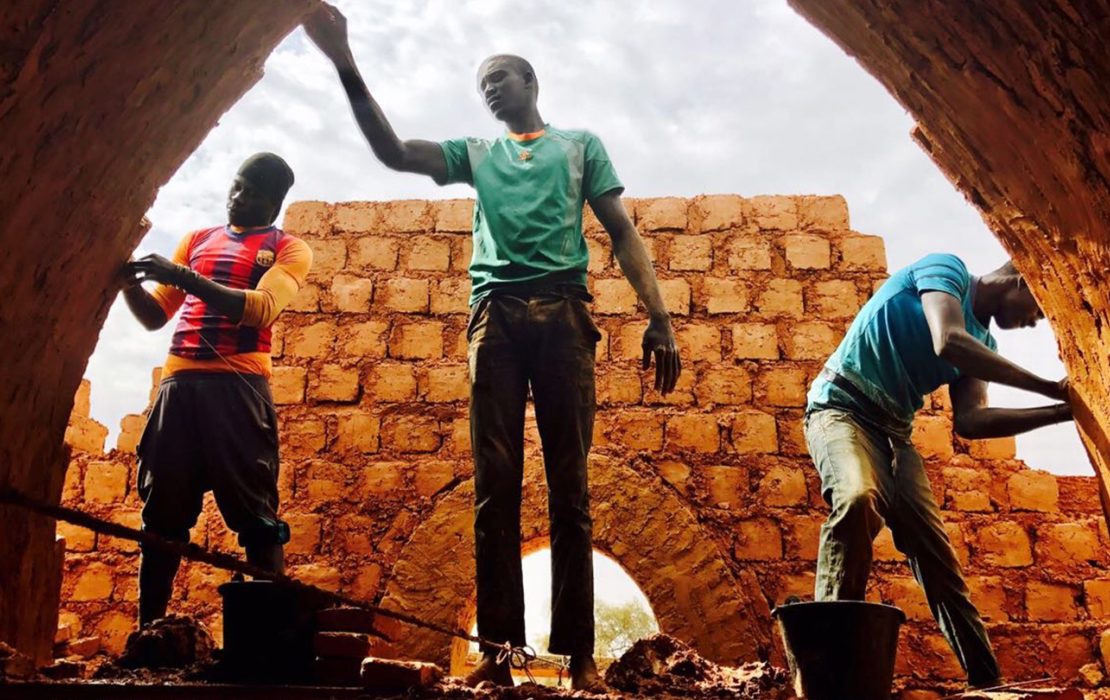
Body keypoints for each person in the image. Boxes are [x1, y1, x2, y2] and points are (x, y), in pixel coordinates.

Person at [304, 5, 681, 689]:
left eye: (500, 77)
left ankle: (578, 659)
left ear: (531, 81)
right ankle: (499, 656)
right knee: (494, 491)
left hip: (565, 317)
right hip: (495, 321)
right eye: (482, 85)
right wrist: (344, 60)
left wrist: (659, 315)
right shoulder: (478, 155)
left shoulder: (580, 145)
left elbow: (622, 231)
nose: (490, 90)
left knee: (571, 491)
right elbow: (393, 152)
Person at [805, 254, 1073, 688]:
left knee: (939, 561)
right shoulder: (946, 271)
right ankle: (830, 672)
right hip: (841, 410)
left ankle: (987, 684)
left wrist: (1061, 412)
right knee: (856, 498)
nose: (1031, 325)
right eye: (1037, 314)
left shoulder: (985, 345)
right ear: (1022, 280)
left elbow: (971, 422)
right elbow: (947, 340)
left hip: (894, 436)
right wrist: (1048, 386)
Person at [121, 153, 312, 627]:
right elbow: (154, 317)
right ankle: (149, 632)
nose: (238, 197)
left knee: (257, 518)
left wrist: (184, 277)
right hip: (179, 386)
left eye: (252, 192)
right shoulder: (198, 240)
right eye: (237, 186)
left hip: (239, 388)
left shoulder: (289, 249)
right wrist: (127, 283)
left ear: (274, 202)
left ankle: (270, 643)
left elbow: (261, 309)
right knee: (162, 513)